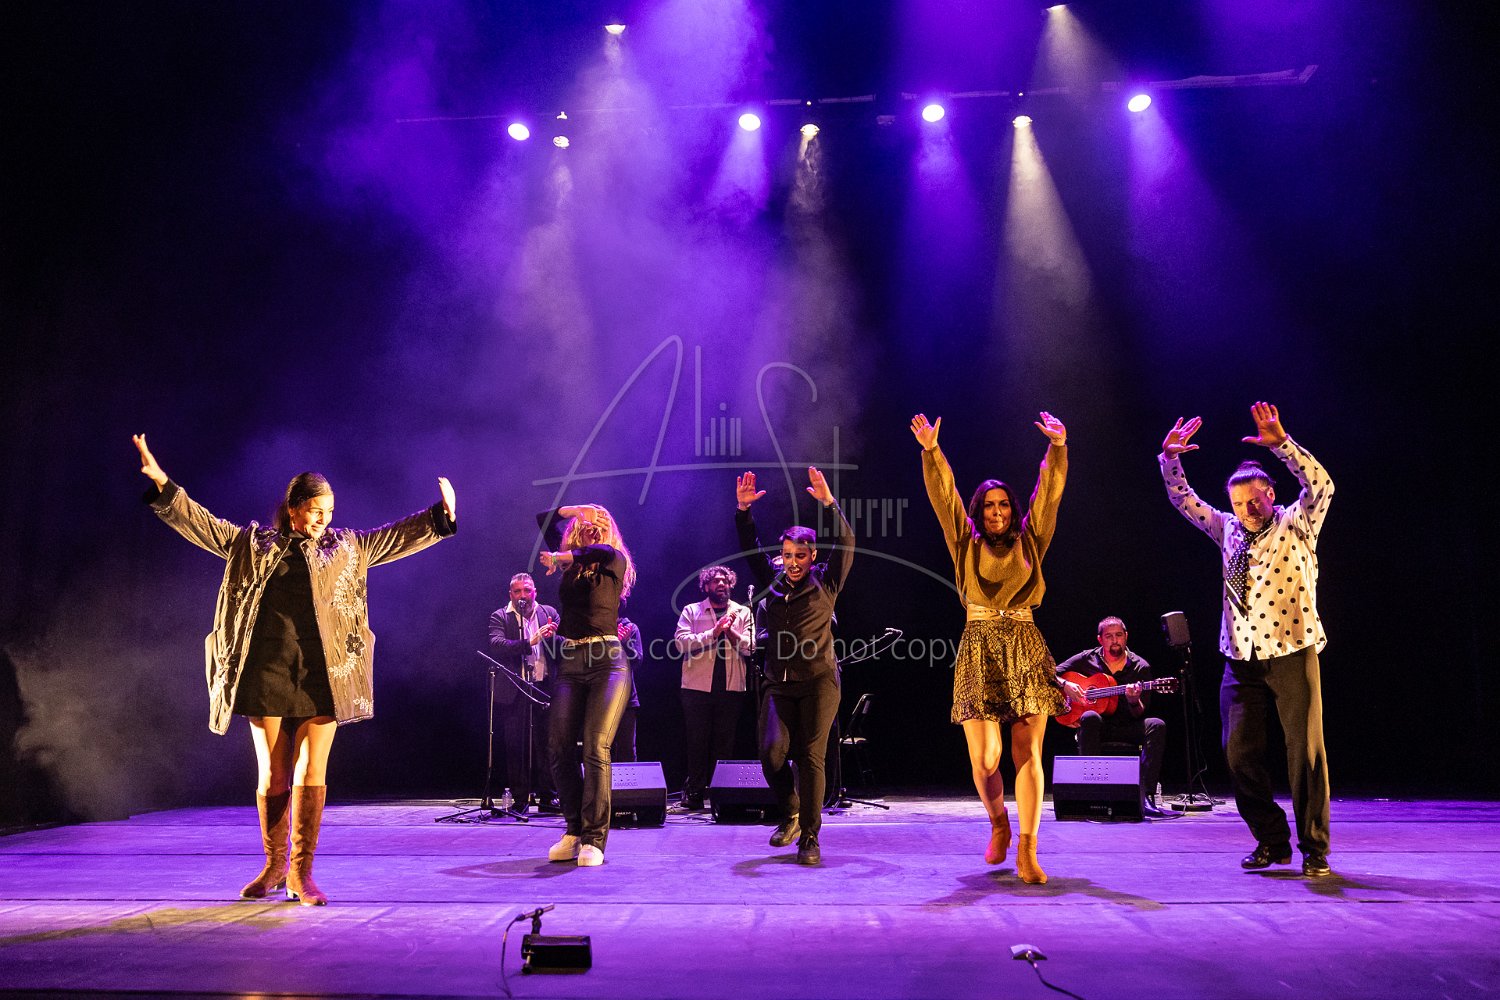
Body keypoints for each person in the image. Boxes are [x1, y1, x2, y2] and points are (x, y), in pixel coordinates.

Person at [132, 433, 456, 905]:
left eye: (329, 512)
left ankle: (302, 874)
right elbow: (201, 524)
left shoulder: (346, 547)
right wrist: (163, 485)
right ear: (292, 509)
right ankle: (274, 866)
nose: (324, 520)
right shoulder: (252, 544)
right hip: (266, 668)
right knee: (273, 774)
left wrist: (439, 516)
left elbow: (394, 537)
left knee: (311, 770)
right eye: (315, 511)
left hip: (325, 671)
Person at [1160, 402, 1334, 877]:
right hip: (1240, 657)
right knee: (1238, 755)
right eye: (1238, 504)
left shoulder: (1297, 523)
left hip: (1293, 650)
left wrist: (1282, 445)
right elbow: (1184, 500)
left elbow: (1321, 485)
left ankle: (1314, 848)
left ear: (1270, 495)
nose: (1247, 510)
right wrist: (1170, 459)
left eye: (1254, 501)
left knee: (1305, 755)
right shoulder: (1227, 529)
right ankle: (1272, 840)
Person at [911, 411, 1078, 884]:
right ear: (979, 510)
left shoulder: (1031, 538)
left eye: (1004, 504)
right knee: (986, 759)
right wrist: (932, 452)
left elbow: (1049, 495)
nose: (998, 512)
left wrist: (1057, 448)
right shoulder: (964, 540)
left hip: (1025, 643)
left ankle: (1028, 848)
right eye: (989, 506)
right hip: (979, 645)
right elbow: (944, 497)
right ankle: (999, 823)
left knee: (1029, 754)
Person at [736, 467, 853, 865]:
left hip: (819, 681)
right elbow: (749, 548)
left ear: (812, 555)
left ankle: (811, 837)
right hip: (778, 682)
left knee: (810, 757)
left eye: (800, 556)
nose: (793, 563)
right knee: (771, 754)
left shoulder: (826, 582)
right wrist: (744, 511)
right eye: (787, 556)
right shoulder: (771, 581)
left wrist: (830, 504)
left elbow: (847, 542)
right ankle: (791, 812)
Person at [537, 504, 637, 867]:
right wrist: (577, 510)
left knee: (596, 746)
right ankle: (574, 829)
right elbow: (544, 519)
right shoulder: (572, 564)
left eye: (601, 521)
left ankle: (595, 838)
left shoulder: (614, 559)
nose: (594, 525)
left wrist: (563, 556)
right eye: (588, 523)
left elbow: (598, 551)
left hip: (608, 662)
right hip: (571, 660)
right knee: (558, 746)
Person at [1055, 617, 1171, 817]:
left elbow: (1140, 712)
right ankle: (1091, 793)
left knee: (1156, 724)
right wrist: (1066, 685)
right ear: (1100, 639)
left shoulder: (1140, 667)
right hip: (1097, 726)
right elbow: (1050, 673)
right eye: (1109, 636)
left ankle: (1145, 795)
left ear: (1126, 636)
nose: (1115, 640)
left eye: (1119, 635)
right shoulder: (1087, 658)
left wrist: (1133, 701)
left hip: (1128, 725)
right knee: (1090, 717)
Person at [672, 565, 755, 811]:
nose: (721, 584)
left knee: (724, 744)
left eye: (725, 581)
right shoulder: (692, 611)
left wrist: (731, 633)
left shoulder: (743, 611)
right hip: (696, 688)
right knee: (697, 742)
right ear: (706, 586)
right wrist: (714, 632)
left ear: (731, 585)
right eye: (715, 581)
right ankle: (695, 793)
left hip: (731, 688)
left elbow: (751, 647)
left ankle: (721, 795)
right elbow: (681, 643)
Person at [487, 573, 559, 813]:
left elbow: (564, 646)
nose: (523, 596)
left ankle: (549, 797)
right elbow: (497, 645)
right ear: (510, 594)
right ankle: (520, 799)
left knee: (548, 744)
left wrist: (554, 638)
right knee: (516, 745)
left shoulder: (548, 613)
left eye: (527, 591)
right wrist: (530, 641)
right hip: (516, 689)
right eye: (517, 591)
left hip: (543, 687)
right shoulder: (500, 616)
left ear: (535, 592)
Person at [610, 611, 644, 763]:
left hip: (626, 699)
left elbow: (637, 661)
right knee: (601, 748)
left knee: (627, 749)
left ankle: (629, 780)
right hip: (599, 697)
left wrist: (624, 644)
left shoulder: (630, 628)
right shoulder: (596, 627)